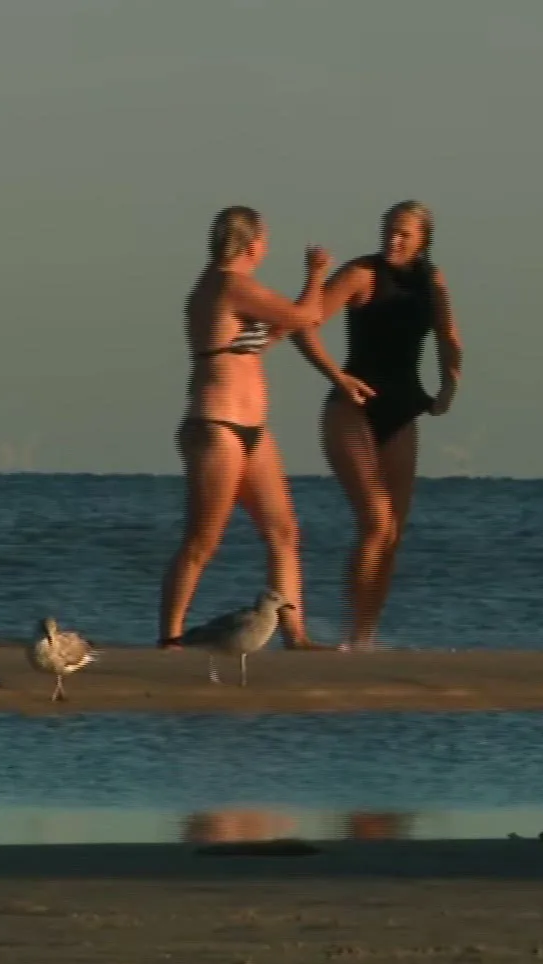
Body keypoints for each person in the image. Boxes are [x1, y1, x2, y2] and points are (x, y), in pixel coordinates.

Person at [159, 205, 347, 650]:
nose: (267, 246)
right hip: (217, 426)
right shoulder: (226, 284)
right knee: (203, 540)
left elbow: (260, 341)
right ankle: (170, 637)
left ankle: (294, 632)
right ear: (250, 244)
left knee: (283, 531)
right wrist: (318, 274)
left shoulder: (231, 290)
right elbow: (305, 318)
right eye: (264, 238)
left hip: (252, 428)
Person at [293, 201, 464, 650]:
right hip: (354, 405)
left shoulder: (433, 280)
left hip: (404, 407)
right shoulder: (361, 274)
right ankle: (352, 634)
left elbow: (449, 338)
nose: (393, 239)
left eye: (404, 233)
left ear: (423, 239)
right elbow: (303, 325)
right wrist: (337, 376)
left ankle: (364, 636)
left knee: (393, 533)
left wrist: (448, 386)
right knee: (375, 520)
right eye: (388, 230)